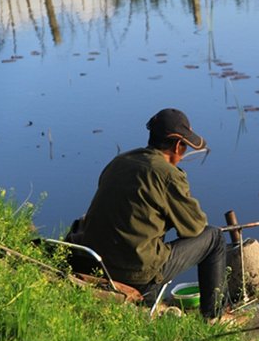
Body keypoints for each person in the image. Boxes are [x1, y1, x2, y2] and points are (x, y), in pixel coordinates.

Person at [66, 108, 227, 319]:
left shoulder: (119, 162)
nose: (185, 151)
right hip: (135, 274)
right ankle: (214, 317)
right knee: (214, 238)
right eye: (186, 146)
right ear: (178, 145)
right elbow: (194, 227)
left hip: (94, 263)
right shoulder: (168, 174)